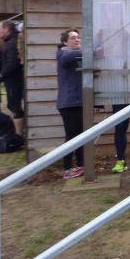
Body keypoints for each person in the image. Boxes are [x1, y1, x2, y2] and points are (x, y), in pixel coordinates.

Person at [56, 29, 85, 179]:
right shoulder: (63, 53)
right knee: (72, 136)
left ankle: (81, 166)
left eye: (78, 37)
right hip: (68, 103)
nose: (77, 40)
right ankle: (67, 169)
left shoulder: (79, 54)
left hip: (80, 102)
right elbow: (67, 58)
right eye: (73, 38)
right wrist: (89, 51)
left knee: (81, 136)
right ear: (65, 42)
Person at [0, 21, 24, 137]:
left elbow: (12, 64)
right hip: (10, 80)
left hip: (14, 80)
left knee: (15, 106)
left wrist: (1, 75)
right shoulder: (8, 42)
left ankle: (19, 136)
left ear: (7, 29)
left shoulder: (12, 43)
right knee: (12, 105)